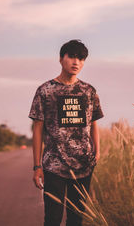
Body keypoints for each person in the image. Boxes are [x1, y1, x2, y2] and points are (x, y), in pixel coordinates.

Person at [28, 39, 104, 226]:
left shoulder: (89, 91)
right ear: (61, 59)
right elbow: (37, 128)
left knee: (76, 218)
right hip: (54, 164)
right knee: (53, 218)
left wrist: (97, 151)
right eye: (72, 57)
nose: (76, 62)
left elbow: (94, 123)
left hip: (84, 164)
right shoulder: (45, 91)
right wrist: (37, 166)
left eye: (81, 58)